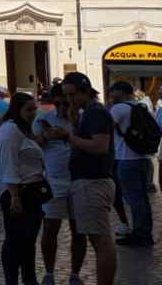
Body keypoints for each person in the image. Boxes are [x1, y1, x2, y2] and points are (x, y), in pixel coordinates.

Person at [48, 72, 114, 285]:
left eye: (72, 95)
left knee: (100, 241)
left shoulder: (95, 113)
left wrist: (68, 136)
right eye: (66, 96)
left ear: (85, 91)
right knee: (98, 239)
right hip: (87, 181)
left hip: (92, 182)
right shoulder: (87, 112)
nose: (69, 100)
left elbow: (100, 146)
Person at [32, 84, 86, 285]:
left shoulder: (82, 118)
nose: (63, 107)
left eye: (66, 102)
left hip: (79, 181)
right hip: (54, 181)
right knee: (50, 228)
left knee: (79, 230)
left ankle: (75, 274)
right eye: (58, 104)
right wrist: (46, 136)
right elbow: (33, 145)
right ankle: (49, 272)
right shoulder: (43, 119)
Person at [0, 92, 46, 285]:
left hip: (31, 191)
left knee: (28, 240)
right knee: (15, 240)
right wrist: (14, 196)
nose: (33, 113)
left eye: (34, 109)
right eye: (28, 109)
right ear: (18, 110)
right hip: (17, 192)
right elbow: (9, 164)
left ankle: (29, 278)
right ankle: (12, 280)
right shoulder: (10, 132)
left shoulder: (22, 129)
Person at [108, 81, 154, 247]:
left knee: (134, 199)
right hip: (142, 159)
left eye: (113, 93)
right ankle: (145, 232)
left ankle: (140, 235)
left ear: (120, 92)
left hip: (126, 160)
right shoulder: (141, 106)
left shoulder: (119, 108)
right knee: (142, 199)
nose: (110, 96)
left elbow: (105, 128)